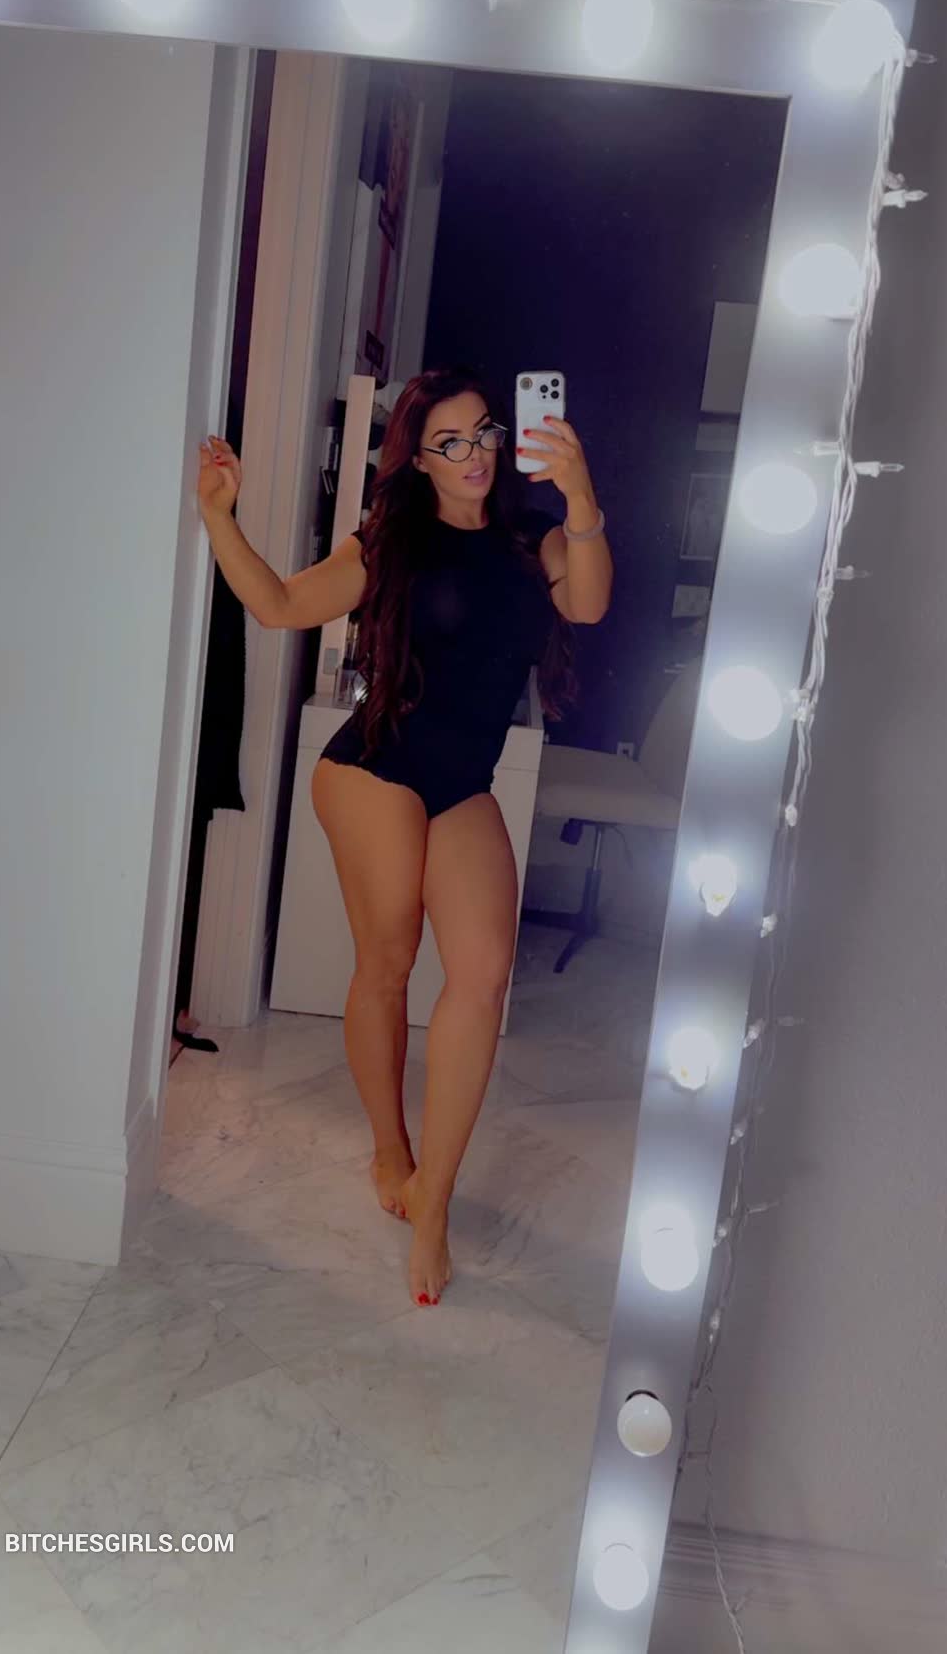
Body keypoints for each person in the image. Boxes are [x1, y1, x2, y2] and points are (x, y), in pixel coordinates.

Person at [197, 366, 613, 1307]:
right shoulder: (390, 541)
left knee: (483, 974)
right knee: (388, 961)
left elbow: (586, 604)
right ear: (418, 458)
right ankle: (390, 1148)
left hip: (462, 781)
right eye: (450, 442)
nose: (474, 454)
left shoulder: (534, 540)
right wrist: (220, 517)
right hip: (372, 767)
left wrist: (579, 492)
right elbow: (280, 606)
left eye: (484, 433)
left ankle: (434, 1203)